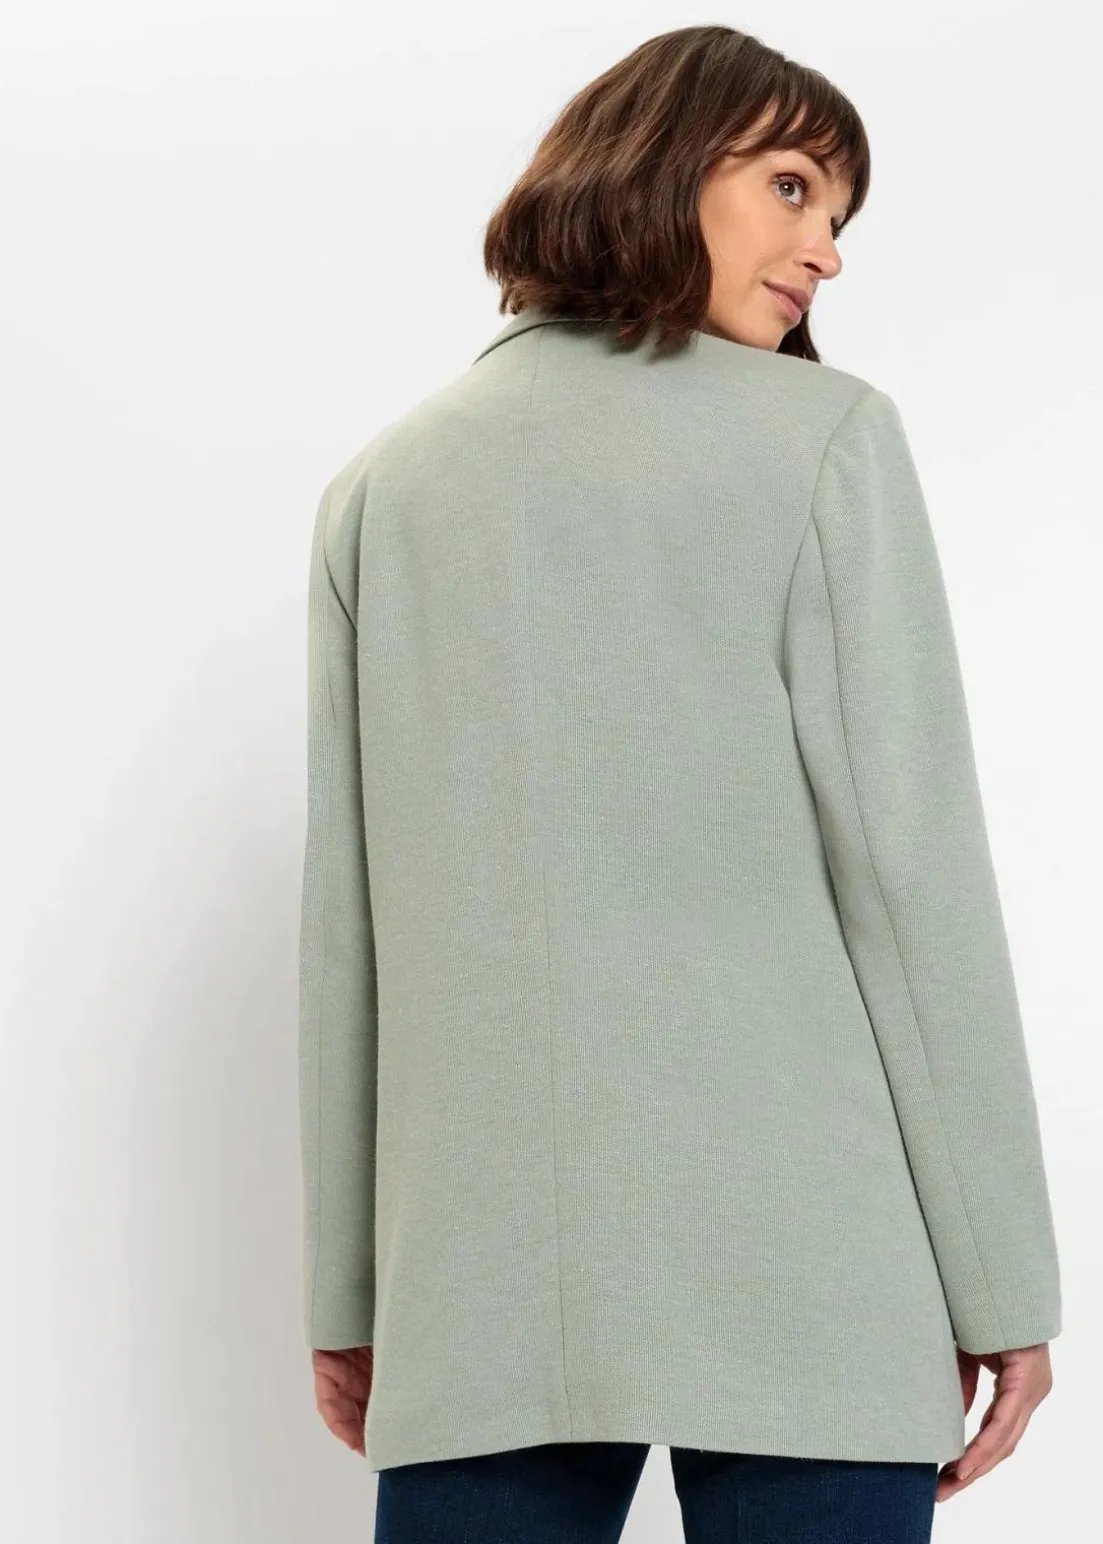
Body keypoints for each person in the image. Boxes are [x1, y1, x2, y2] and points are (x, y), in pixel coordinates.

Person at [296, 23, 1061, 1543]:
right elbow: (909, 875)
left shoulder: (385, 483)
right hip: (807, 1254)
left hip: (483, 1273)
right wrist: (1003, 1282)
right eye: (790, 186)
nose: (826, 248)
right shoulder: (827, 440)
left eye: (837, 212)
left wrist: (349, 1292)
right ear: (656, 167)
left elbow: (349, 932)